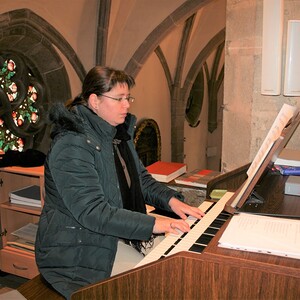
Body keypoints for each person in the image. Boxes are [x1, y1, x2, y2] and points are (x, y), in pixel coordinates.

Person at [35, 66, 204, 299]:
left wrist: (172, 201)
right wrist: (155, 222)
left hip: (110, 238)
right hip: (78, 252)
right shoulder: (72, 145)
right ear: (95, 101)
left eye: (128, 98)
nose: (127, 105)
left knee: (183, 265)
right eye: (119, 99)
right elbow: (93, 213)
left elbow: (140, 179)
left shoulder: (115, 134)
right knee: (159, 283)